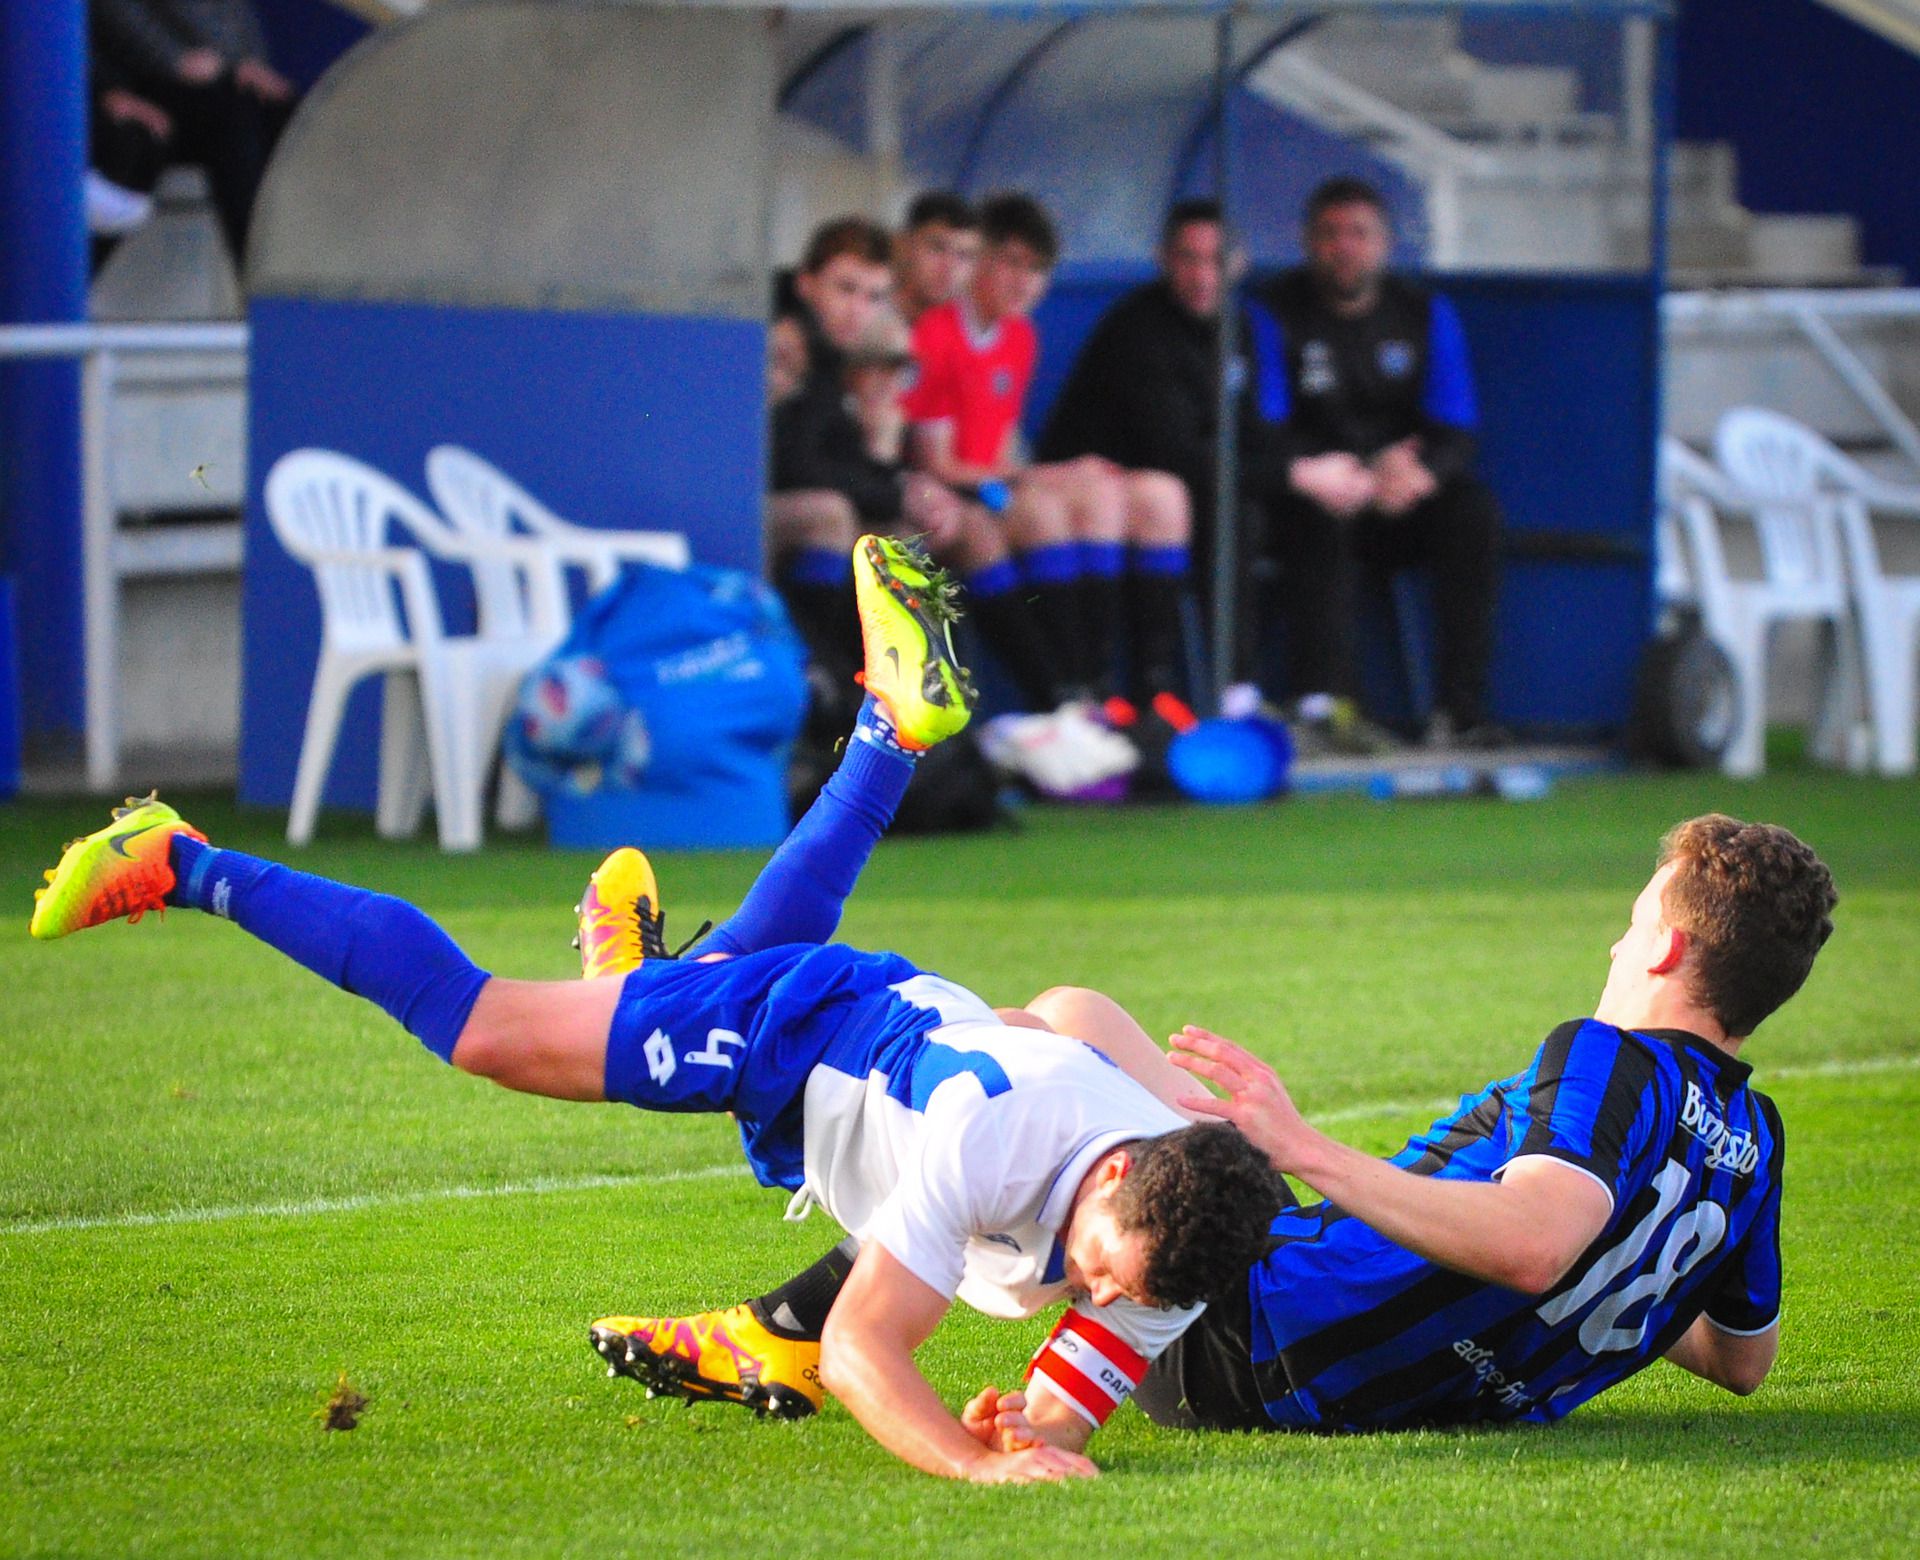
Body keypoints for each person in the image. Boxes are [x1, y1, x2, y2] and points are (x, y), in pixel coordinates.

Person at [29, 534, 1287, 1484]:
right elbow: (861, 1356)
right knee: (481, 1028)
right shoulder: (999, 1148)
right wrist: (968, 1468)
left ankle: (858, 766)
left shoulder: (1179, 1232)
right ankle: (183, 858)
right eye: (1091, 1262)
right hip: (804, 1040)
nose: (1087, 1292)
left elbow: (1069, 1390)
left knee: (669, 989)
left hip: (869, 1023)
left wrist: (1030, 1432)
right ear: (1119, 1171)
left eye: (1109, 1290)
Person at [613, 814, 1833, 1439]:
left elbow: (1533, 1245)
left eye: (1633, 920)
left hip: (1244, 1324)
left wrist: (1298, 1147)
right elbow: (1737, 1359)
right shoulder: (1755, 1140)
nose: (1618, 941)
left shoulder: (1604, 1057)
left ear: (1669, 945)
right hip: (1358, 1382)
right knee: (1069, 1055)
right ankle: (710, 1016)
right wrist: (1582, 1295)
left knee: (1061, 1026)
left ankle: (698, 1038)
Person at [905, 192, 1197, 728]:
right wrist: (1039, 476)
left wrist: (1028, 477)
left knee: (1145, 495)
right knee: (1050, 509)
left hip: (992, 482)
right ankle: (1077, 691)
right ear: (980, 261)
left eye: (1037, 269)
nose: (1024, 282)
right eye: (1011, 262)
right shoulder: (937, 332)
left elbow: (995, 448)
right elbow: (940, 464)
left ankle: (1140, 694)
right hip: (950, 493)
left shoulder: (1020, 335)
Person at [1248, 176, 1505, 750]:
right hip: (1318, 493)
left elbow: (1457, 427)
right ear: (1309, 242)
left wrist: (1420, 475)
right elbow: (1265, 424)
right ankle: (1333, 711)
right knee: (1315, 519)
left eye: (1358, 234)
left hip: (1398, 499)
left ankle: (1458, 713)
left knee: (1473, 513)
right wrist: (1341, 472)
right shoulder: (1272, 313)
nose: (1344, 247)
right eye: (1330, 234)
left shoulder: (1423, 312)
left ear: (1384, 244)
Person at [1037, 198, 1278, 698]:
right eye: (1189, 258)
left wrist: (1304, 471)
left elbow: (1249, 430)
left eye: (1216, 260)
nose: (1202, 275)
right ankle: (1189, 693)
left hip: (1172, 489)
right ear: (1163, 258)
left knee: (1284, 512)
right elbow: (1175, 453)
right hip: (1095, 489)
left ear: (1239, 264)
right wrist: (1290, 474)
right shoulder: (1137, 329)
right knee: (1215, 507)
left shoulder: (1242, 328)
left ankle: (1318, 698)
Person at [90, 0, 296, 259]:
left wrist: (248, 66)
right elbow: (120, 17)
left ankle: (285, 270)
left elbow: (238, 19)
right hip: (143, 80)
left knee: (282, 113)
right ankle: (260, 267)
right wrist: (177, 62)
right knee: (230, 117)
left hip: (217, 78)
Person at [892, 191, 982, 327]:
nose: (949, 266)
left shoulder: (971, 328)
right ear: (904, 245)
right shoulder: (864, 315)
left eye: (963, 255)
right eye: (937, 248)